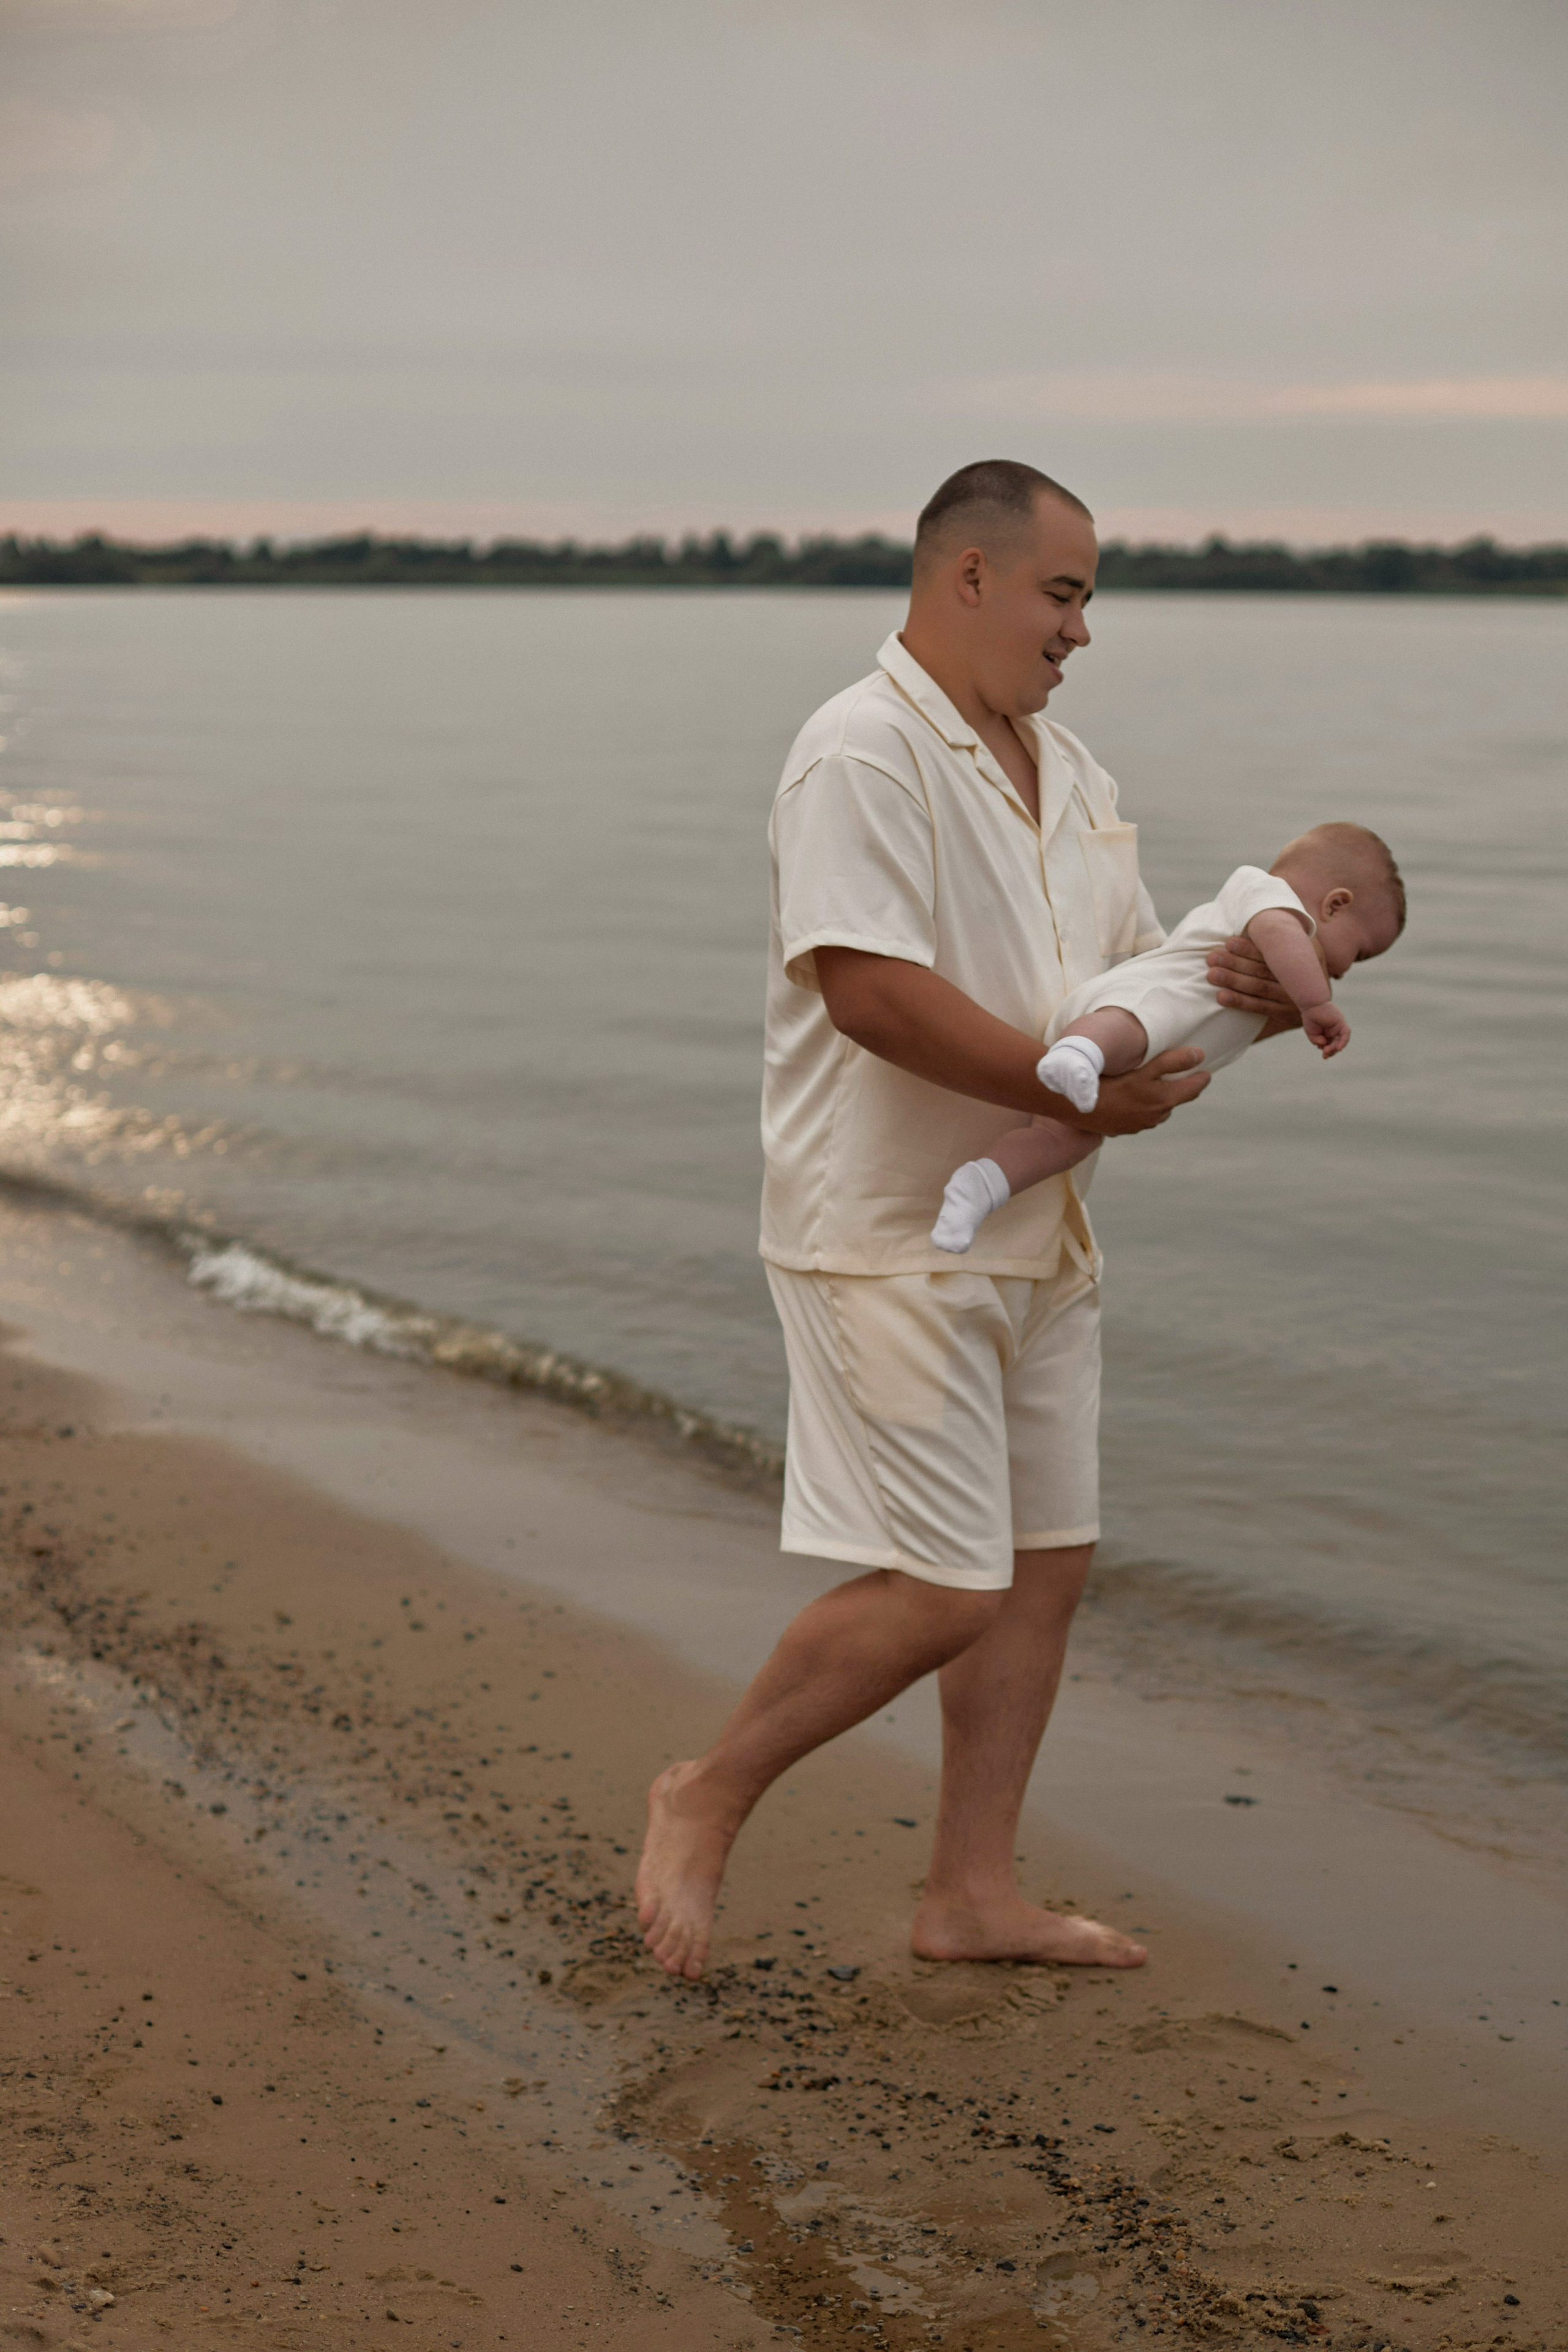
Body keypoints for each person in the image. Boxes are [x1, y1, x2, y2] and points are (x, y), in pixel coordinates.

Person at [635, 458, 1297, 1984]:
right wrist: (1063, 1086)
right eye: (1062, 594)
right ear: (969, 579)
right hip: (884, 1228)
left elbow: (1126, 976)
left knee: (1042, 1563)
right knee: (947, 1581)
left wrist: (1242, 974)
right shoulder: (858, 749)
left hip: (1039, 1225)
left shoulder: (1070, 772)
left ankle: (968, 1892)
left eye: (1088, 600)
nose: (1078, 632)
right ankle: (706, 1790)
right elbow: (865, 990)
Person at [931, 825, 1407, 1254]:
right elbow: (1278, 931)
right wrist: (1315, 1004)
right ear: (1335, 904)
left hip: (1125, 1044)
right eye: (1360, 952)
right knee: (1134, 1029)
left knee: (1067, 1138)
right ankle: (1077, 1053)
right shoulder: (1265, 894)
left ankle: (980, 1188)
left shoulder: (1278, 945)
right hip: (1122, 1016)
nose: (1345, 970)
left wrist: (1294, 1006)